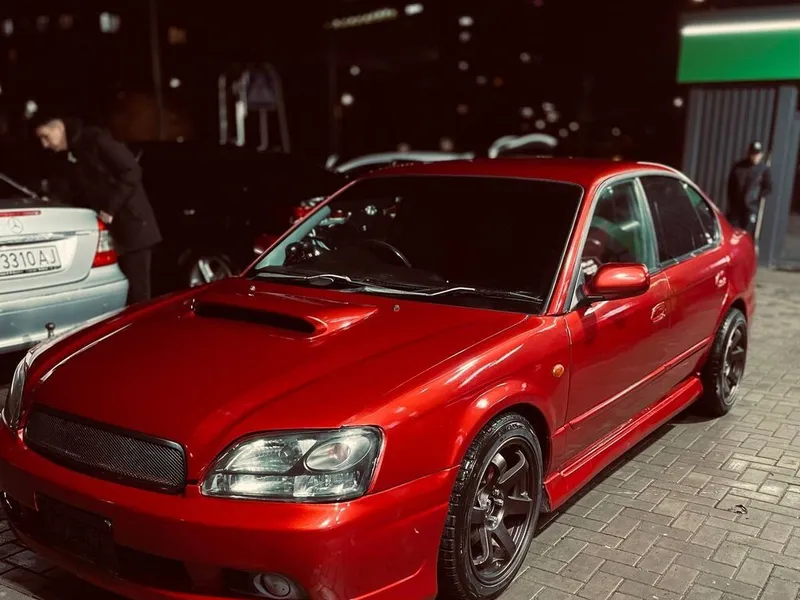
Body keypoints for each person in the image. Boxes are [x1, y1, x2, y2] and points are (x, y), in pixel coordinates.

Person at [33, 115, 161, 304]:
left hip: (133, 226)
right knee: (121, 295)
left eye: (46, 137)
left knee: (138, 294)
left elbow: (131, 171)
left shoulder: (96, 140)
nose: (45, 145)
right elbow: (79, 191)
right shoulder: (73, 153)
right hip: (111, 232)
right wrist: (52, 200)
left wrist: (110, 209)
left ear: (59, 128)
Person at [726, 141, 773, 237]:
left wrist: (757, 196)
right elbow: (731, 185)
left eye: (757, 154)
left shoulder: (763, 169)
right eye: (753, 154)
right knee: (732, 233)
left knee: (746, 234)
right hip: (736, 209)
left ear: (761, 155)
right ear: (749, 154)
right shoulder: (739, 167)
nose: (755, 157)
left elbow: (768, 188)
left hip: (751, 208)